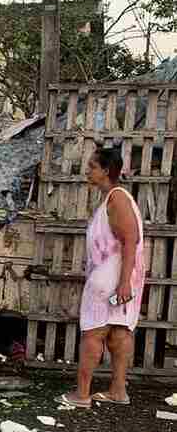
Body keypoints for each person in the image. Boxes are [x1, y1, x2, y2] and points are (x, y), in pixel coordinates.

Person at [62, 144, 145, 409]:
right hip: (122, 276)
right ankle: (118, 391)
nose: (87, 171)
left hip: (111, 276)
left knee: (93, 333)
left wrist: (121, 282)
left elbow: (130, 240)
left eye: (92, 166)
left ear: (106, 171)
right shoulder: (115, 198)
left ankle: (82, 394)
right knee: (119, 332)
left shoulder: (117, 198)